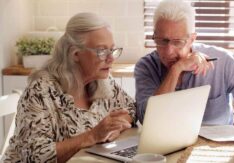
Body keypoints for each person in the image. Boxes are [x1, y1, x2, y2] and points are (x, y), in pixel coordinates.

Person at [134, 0, 234, 144]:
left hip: (215, 150)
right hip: (164, 148)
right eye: (162, 41)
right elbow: (147, 120)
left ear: (192, 39)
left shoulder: (224, 61)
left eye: (177, 42)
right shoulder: (146, 66)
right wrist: (176, 69)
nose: (168, 51)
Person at [3, 13, 136, 163]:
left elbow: (131, 108)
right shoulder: (40, 91)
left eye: (112, 50)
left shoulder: (103, 80)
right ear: (75, 53)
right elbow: (34, 156)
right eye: (101, 51)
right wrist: (92, 136)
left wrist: (115, 128)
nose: (111, 58)